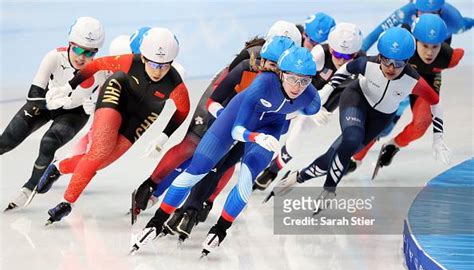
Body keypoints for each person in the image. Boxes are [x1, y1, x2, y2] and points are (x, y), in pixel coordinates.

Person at [130, 46, 320, 256]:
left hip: (268, 128)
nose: (298, 86)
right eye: (293, 78)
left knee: (247, 180)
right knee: (197, 170)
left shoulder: (310, 98)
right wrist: (256, 137)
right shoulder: (264, 83)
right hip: (236, 120)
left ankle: (220, 229)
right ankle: (157, 221)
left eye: (305, 80)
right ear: (281, 73)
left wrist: (284, 119)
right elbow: (238, 130)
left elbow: (308, 109)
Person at [130, 21, 303, 219]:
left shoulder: (295, 70)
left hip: (247, 110)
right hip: (223, 100)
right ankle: (151, 186)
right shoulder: (252, 55)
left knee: (223, 161)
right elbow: (226, 86)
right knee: (192, 146)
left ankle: (200, 202)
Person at [268, 28, 439, 215]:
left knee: (334, 156)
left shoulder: (413, 81)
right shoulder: (369, 63)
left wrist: (438, 136)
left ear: (407, 62)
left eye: (397, 63)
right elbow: (347, 68)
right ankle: (329, 189)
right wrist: (328, 89)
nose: (390, 68)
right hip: (356, 98)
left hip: (380, 118)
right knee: (351, 138)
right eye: (385, 60)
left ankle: (298, 177)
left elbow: (435, 103)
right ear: (379, 56)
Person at [36, 27, 191, 225]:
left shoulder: (176, 85)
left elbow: (183, 111)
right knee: (100, 150)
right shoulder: (129, 61)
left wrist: (164, 136)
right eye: (153, 64)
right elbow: (96, 65)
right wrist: (69, 87)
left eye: (164, 65)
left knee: (102, 161)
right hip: (116, 95)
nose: (158, 71)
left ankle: (59, 167)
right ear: (143, 58)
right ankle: (67, 203)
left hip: (143, 114)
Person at [159, 36, 295, 243]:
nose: (274, 71)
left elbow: (285, 122)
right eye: (271, 64)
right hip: (230, 124)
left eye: (280, 67)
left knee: (219, 168)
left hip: (254, 133)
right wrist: (223, 116)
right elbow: (214, 99)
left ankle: (189, 211)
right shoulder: (244, 68)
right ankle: (188, 211)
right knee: (210, 165)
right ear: (262, 60)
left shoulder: (289, 86)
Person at [1, 17, 106, 211]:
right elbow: (32, 96)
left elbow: (109, 104)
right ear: (69, 44)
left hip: (75, 113)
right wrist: (49, 103)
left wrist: (97, 107)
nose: (82, 57)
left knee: (48, 143)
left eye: (89, 52)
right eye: (77, 49)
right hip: (44, 104)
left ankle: (29, 187)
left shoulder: (100, 71)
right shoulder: (53, 57)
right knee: (5, 141)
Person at [349, 14, 464, 177]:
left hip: (426, 84)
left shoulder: (450, 58)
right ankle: (357, 157)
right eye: (425, 45)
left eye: (435, 46)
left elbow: (436, 105)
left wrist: (438, 138)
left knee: (421, 124)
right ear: (414, 39)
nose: (430, 53)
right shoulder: (402, 44)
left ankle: (393, 145)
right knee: (380, 126)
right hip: (400, 78)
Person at [255, 22, 365, 190]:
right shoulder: (319, 54)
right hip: (302, 92)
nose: (341, 61)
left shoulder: (362, 63)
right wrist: (310, 110)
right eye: (336, 54)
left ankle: (273, 170)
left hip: (328, 99)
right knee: (280, 125)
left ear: (356, 54)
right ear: (330, 49)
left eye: (348, 57)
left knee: (300, 130)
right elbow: (297, 82)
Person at [361, 0, 473, 52]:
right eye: (423, 13)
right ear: (416, 9)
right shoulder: (405, 12)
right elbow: (377, 32)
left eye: (433, 13)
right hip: (411, 30)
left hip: (441, 35)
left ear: (441, 11)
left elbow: (468, 23)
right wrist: (359, 52)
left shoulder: (456, 22)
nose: (427, 19)